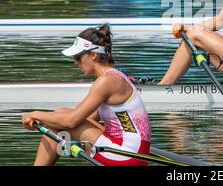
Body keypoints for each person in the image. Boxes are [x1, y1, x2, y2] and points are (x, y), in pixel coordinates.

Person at [22, 24, 151, 166]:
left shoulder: (107, 82)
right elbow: (84, 119)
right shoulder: (115, 76)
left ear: (93, 55)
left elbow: (71, 121)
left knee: (61, 120)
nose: (75, 63)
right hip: (132, 151)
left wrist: (34, 114)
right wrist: (54, 123)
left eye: (78, 57)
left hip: (126, 156)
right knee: (60, 114)